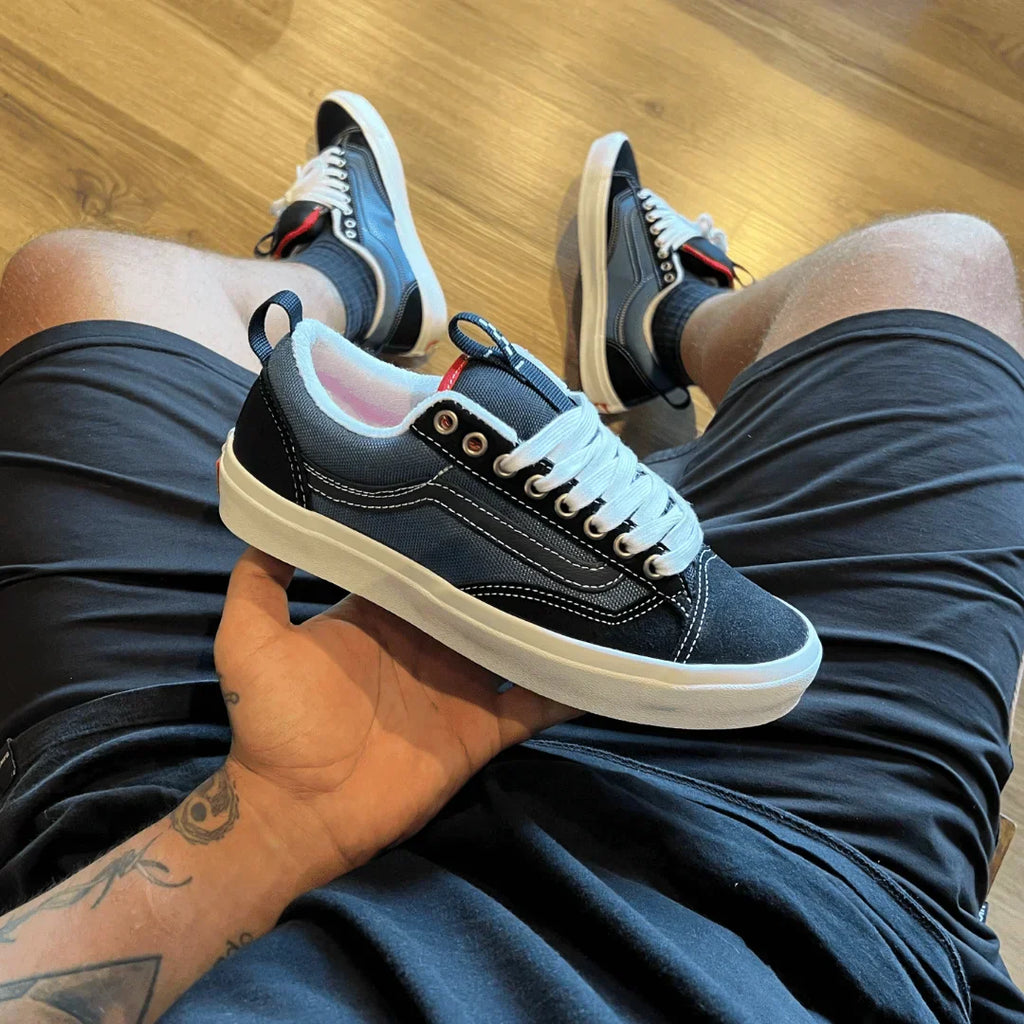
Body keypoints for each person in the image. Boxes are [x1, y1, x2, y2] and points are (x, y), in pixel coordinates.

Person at [0, 91, 1021, 1024]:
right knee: (937, 264)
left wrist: (268, 824)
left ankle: (363, 283)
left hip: (196, 856)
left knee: (80, 279)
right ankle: (653, 319)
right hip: (792, 905)